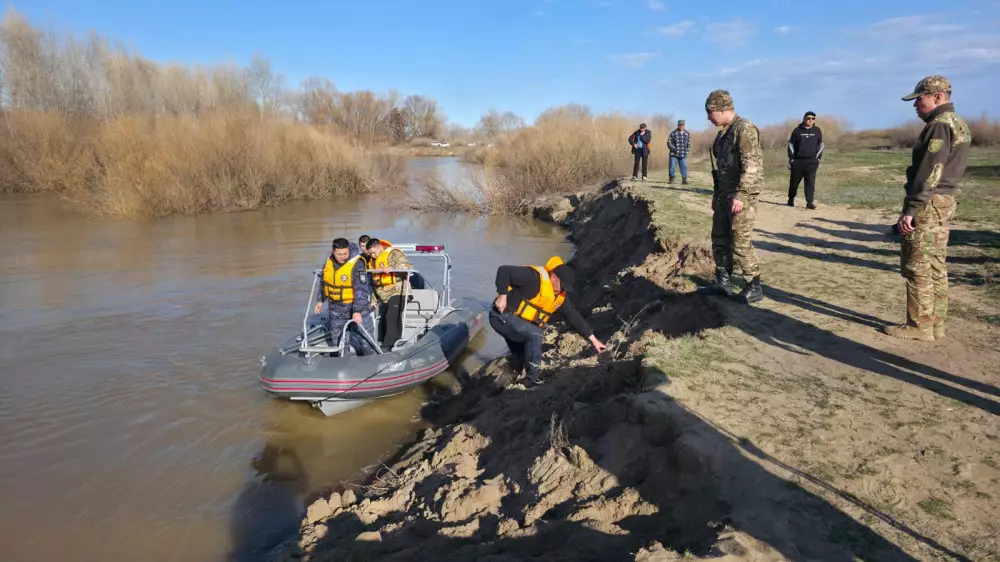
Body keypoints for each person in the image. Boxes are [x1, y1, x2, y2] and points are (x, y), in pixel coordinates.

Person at [885, 75, 971, 342]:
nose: (915, 105)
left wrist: (910, 208)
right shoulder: (957, 123)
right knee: (935, 264)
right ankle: (936, 323)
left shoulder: (939, 125)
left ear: (937, 97)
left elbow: (931, 171)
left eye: (919, 99)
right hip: (942, 200)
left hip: (928, 202)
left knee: (917, 264)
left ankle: (919, 324)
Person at [491, 256, 606, 386]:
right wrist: (502, 297)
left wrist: (594, 340)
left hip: (520, 323)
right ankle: (532, 381)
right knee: (535, 334)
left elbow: (573, 316)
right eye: (562, 286)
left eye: (565, 288)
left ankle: (505, 380)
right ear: (553, 277)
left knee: (521, 359)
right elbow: (504, 271)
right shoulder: (533, 277)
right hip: (500, 317)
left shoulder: (558, 296)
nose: (562, 290)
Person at [702, 89, 764, 304]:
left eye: (710, 112)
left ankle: (753, 285)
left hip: (740, 197)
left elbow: (752, 167)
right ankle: (723, 281)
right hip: (723, 196)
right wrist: (716, 195)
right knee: (719, 238)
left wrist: (741, 195)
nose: (709, 118)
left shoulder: (744, 129)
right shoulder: (723, 134)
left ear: (720, 109)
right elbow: (721, 170)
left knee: (740, 241)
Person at [314, 238, 377, 355]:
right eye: (339, 254)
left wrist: (357, 311)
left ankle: (372, 360)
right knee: (339, 339)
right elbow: (324, 283)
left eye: (345, 253)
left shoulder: (357, 264)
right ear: (333, 251)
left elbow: (361, 291)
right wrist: (320, 300)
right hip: (336, 308)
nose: (343, 257)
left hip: (356, 306)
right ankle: (341, 362)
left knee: (365, 339)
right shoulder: (328, 262)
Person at [366, 237, 413, 348]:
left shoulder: (394, 253)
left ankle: (388, 345)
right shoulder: (372, 261)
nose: (373, 256)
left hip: (399, 291)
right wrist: (373, 299)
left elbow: (407, 266)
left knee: (391, 315)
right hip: (383, 294)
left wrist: (392, 267)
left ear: (379, 247)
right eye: (370, 254)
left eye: (374, 252)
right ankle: (382, 341)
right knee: (383, 316)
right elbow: (373, 283)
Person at [787, 111, 824, 209]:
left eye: (813, 118)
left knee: (810, 183)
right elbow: (791, 145)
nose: (810, 120)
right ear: (804, 119)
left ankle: (809, 202)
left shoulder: (817, 130)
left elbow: (820, 145)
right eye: (808, 118)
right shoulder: (797, 131)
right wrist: (791, 159)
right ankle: (791, 199)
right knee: (794, 183)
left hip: (811, 162)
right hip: (798, 161)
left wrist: (818, 159)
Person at [667, 119, 691, 184]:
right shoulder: (673, 133)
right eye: (679, 125)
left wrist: (687, 151)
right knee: (672, 167)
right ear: (678, 125)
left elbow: (688, 143)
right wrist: (674, 149)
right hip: (674, 154)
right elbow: (669, 142)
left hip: (683, 154)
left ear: (684, 125)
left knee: (684, 167)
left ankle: (684, 180)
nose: (680, 126)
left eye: (682, 125)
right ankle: (671, 179)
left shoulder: (687, 133)